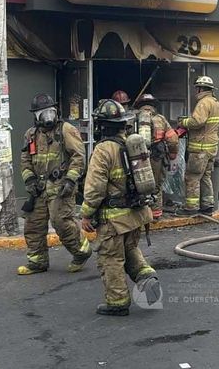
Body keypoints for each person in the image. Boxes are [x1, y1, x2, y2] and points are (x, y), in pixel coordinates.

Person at [80, 99, 160, 316]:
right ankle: (146, 275)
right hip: (136, 214)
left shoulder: (103, 150)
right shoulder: (130, 145)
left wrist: (86, 214)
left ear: (101, 126)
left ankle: (117, 302)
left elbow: (95, 188)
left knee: (111, 258)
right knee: (130, 249)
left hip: (113, 219)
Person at [17, 93, 92, 276]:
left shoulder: (66, 130)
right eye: (43, 113)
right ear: (36, 115)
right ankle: (37, 261)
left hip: (60, 187)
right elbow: (25, 160)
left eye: (50, 112)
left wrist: (70, 179)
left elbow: (78, 156)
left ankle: (81, 252)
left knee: (61, 222)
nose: (48, 117)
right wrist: (30, 180)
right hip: (40, 189)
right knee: (33, 224)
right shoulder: (31, 135)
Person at [179, 75, 219, 215]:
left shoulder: (203, 103)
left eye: (196, 88)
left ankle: (191, 208)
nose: (195, 91)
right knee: (205, 176)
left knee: (192, 177)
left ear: (200, 89)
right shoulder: (216, 103)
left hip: (200, 148)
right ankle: (207, 205)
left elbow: (197, 122)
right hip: (211, 147)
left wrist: (184, 122)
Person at [134, 93, 180, 220]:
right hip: (156, 157)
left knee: (137, 184)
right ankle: (155, 214)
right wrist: (173, 153)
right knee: (156, 185)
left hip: (137, 157)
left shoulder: (133, 118)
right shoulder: (160, 119)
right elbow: (172, 139)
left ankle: (140, 213)